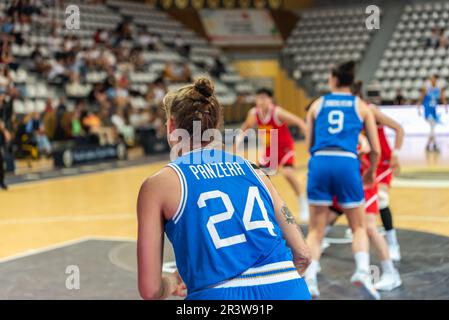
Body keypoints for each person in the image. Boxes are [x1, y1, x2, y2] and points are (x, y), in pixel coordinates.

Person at [137, 77, 312, 300]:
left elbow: (150, 290)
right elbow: (304, 255)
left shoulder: (158, 184)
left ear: (171, 126)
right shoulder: (257, 172)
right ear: (217, 125)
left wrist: (171, 282)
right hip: (288, 290)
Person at [304, 61, 381, 299]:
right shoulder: (361, 106)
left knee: (316, 230)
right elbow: (375, 149)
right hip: (347, 162)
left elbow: (309, 146)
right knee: (358, 226)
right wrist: (371, 171)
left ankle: (310, 280)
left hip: (320, 163)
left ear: (334, 80)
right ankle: (361, 272)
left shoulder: (317, 105)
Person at [321, 81, 403, 292]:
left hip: (376, 168)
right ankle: (319, 247)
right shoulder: (349, 117)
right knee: (339, 210)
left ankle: (391, 254)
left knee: (371, 221)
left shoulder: (368, 111)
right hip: (356, 176)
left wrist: (395, 153)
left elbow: (374, 145)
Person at [236, 88, 309, 222]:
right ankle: (266, 207)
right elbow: (247, 125)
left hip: (284, 147)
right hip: (270, 150)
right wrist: (240, 136)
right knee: (260, 178)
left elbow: (300, 121)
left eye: (264, 98)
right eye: (259, 98)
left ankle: (302, 200)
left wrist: (307, 140)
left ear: (270, 100)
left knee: (287, 173)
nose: (261, 101)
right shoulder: (254, 113)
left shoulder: (277, 112)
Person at [417, 74, 448, 152]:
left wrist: (445, 106)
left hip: (434, 110)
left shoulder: (438, 89)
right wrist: (419, 108)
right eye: (432, 78)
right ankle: (435, 145)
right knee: (432, 127)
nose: (433, 80)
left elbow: (443, 98)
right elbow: (421, 98)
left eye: (434, 78)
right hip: (427, 109)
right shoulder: (427, 88)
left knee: (432, 128)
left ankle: (428, 145)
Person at [0, 119, 11, 190]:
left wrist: (4, 130)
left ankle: (2, 183)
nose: (2, 124)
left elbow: (8, 138)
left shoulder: (2, 132)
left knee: (1, 167)